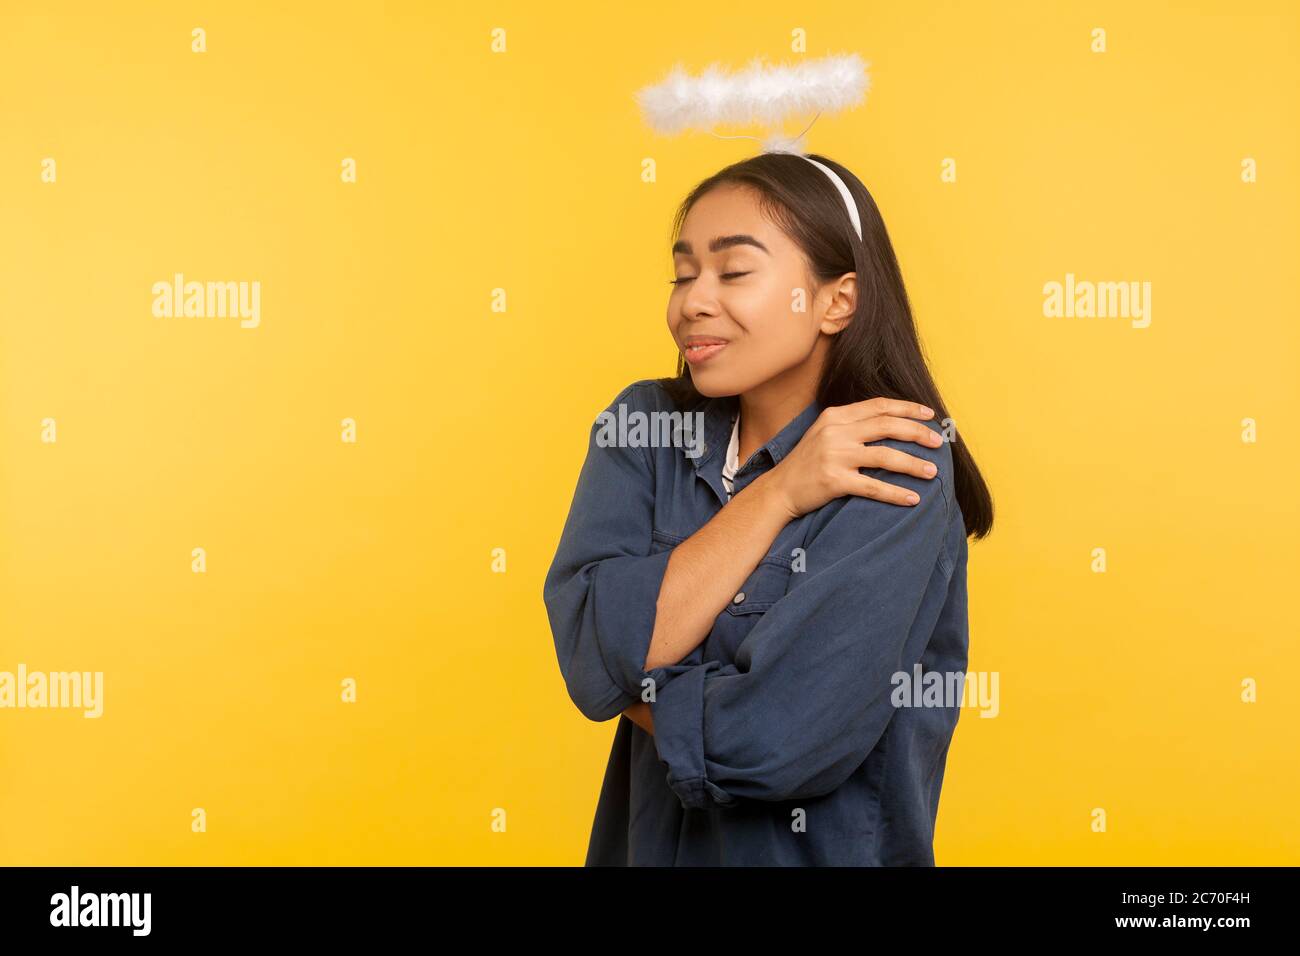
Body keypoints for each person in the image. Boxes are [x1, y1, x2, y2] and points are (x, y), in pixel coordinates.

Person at [543, 150, 994, 865]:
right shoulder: (643, 426)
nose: (693, 300)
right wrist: (781, 493)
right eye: (683, 272)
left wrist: (637, 677)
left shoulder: (898, 459)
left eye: (734, 270)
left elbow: (777, 740)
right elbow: (589, 655)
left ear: (836, 300)